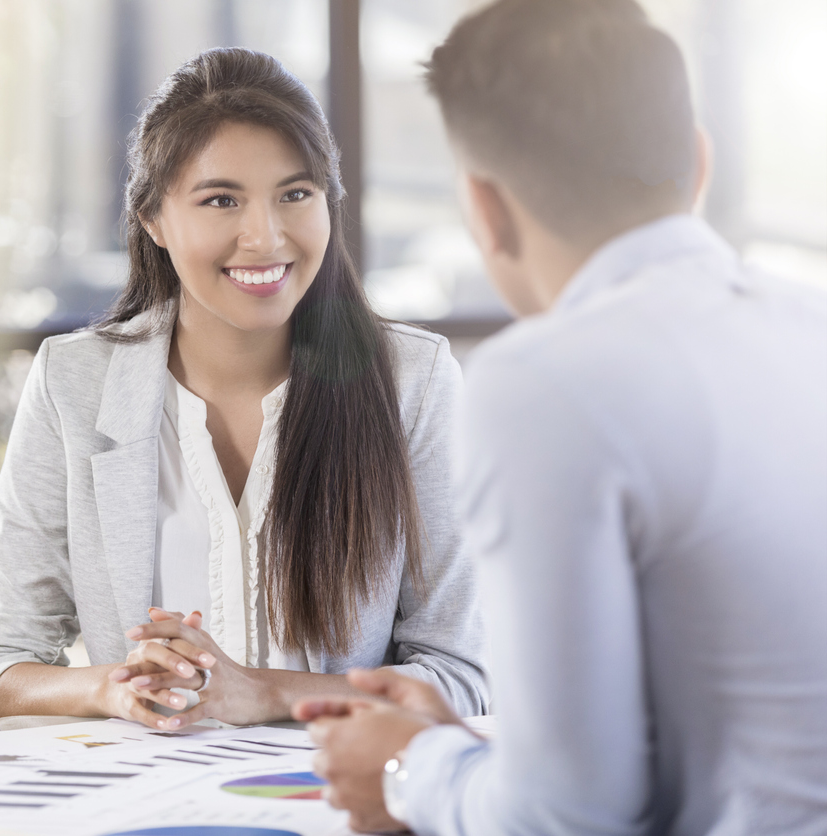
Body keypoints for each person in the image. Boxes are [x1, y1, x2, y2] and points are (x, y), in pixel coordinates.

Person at [298, 1, 827, 834]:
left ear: (485, 210)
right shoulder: (811, 323)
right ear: (698, 164)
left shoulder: (543, 381)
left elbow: (567, 817)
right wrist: (456, 752)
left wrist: (405, 770)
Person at [0, 48, 489, 731]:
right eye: (221, 200)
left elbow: (460, 676)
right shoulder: (75, 382)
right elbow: (3, 666)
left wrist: (265, 692)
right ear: (154, 219)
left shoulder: (412, 383)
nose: (265, 236)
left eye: (295, 195)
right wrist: (111, 688)